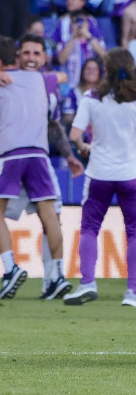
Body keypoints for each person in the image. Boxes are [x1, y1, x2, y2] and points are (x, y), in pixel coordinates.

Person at [63, 48, 136, 307]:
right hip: (131, 174)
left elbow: (74, 135)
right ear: (131, 69)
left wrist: (85, 148)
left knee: (89, 228)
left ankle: (87, 283)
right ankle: (132, 293)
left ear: (105, 70)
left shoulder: (91, 97)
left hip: (99, 174)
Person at [0, 36, 71, 300]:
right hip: (39, 156)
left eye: (36, 53)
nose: (31, 57)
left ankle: (10, 269)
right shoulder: (46, 81)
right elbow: (63, 76)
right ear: (17, 55)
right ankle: (58, 276)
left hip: (10, 155)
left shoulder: (7, 80)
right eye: (26, 52)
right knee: (50, 216)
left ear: (43, 57)